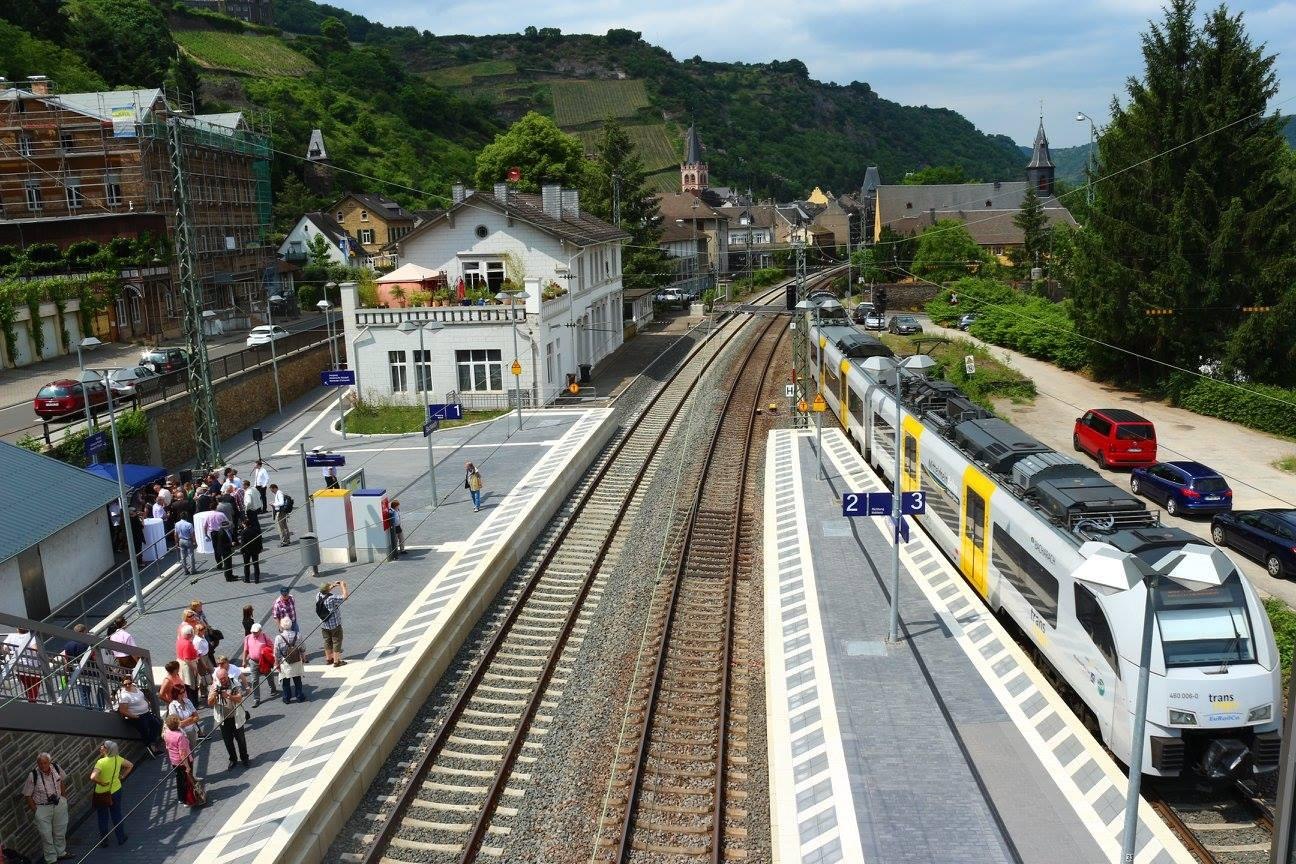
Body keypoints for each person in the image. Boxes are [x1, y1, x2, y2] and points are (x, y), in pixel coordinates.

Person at [22, 752, 68, 864]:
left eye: (45, 763)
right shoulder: (33, 775)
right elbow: (27, 795)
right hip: (42, 808)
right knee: (46, 835)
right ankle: (51, 859)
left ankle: (61, 853)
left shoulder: (56, 768)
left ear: (50, 762)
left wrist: (63, 798)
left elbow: (61, 781)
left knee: (60, 831)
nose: (43, 766)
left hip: (58, 804)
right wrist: (36, 811)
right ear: (37, 763)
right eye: (40, 763)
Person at [89, 740, 132, 848]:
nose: (101, 747)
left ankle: (104, 841)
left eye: (103, 746)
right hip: (116, 790)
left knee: (103, 817)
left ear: (107, 749)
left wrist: (101, 783)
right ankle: (121, 837)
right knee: (116, 814)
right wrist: (122, 776)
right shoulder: (118, 758)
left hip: (102, 793)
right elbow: (130, 765)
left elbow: (92, 777)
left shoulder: (101, 762)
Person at [208, 667, 250, 769]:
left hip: (235, 717)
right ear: (218, 678)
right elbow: (210, 703)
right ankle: (233, 759)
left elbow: (240, 698)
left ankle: (244, 758)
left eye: (224, 677)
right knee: (228, 741)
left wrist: (228, 696)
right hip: (223, 719)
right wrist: (213, 696)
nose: (223, 680)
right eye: (221, 678)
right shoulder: (214, 686)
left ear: (227, 675)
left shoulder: (234, 683)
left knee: (241, 740)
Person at [116, 677, 162, 757]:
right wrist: (135, 717)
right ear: (122, 685)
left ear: (132, 682)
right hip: (138, 716)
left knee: (157, 724)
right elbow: (122, 710)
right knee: (145, 731)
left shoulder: (135, 686)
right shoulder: (124, 696)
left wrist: (147, 702)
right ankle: (151, 747)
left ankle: (152, 743)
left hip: (146, 712)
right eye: (125, 684)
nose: (127, 685)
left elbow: (142, 696)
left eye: (129, 683)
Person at [163, 714, 201, 808]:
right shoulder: (180, 736)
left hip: (174, 760)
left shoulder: (166, 733)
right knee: (187, 780)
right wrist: (187, 767)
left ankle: (181, 798)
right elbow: (183, 753)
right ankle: (189, 800)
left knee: (179, 779)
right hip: (183, 761)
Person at [242, 622, 278, 707]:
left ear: (260, 630)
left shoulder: (265, 637)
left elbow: (272, 646)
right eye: (253, 632)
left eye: (255, 632)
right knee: (254, 680)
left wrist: (272, 657)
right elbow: (245, 650)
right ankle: (256, 699)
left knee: (269, 676)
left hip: (264, 662)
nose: (254, 633)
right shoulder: (248, 638)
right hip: (253, 661)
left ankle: (273, 688)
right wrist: (244, 661)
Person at [4, 626, 41, 702]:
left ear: (17, 629)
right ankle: (32, 702)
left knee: (27, 684)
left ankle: (31, 700)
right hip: (32, 665)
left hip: (18, 665)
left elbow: (5, 648)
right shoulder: (30, 636)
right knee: (34, 683)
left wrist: (11, 653)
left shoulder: (11, 636)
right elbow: (35, 650)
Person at [274, 617, 306, 704]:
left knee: (285, 681)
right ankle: (299, 696)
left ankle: (287, 698)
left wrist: (277, 663)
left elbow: (276, 652)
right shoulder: (298, 635)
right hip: (296, 660)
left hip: (285, 662)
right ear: (291, 624)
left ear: (282, 626)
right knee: (297, 679)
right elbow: (302, 648)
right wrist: (303, 658)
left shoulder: (279, 637)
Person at [317, 580, 348, 667]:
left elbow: (325, 590)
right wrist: (343, 586)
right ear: (327, 590)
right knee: (336, 641)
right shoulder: (332, 598)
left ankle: (328, 659)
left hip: (324, 625)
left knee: (327, 641)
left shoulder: (318, 595)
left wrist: (333, 585)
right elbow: (345, 597)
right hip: (334, 625)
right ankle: (336, 661)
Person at [206, 508, 235, 581]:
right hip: (225, 550)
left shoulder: (225, 531)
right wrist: (231, 544)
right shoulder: (222, 533)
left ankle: (221, 566)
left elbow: (204, 525)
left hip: (213, 533)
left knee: (227, 561)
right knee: (227, 563)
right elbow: (223, 544)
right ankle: (228, 577)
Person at [176, 624, 200, 702]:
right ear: (189, 634)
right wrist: (195, 669)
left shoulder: (180, 640)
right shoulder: (187, 644)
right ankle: (193, 702)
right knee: (191, 685)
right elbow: (187, 659)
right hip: (188, 666)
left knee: (187, 684)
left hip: (182, 663)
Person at [240, 513, 264, 584]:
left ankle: (247, 579)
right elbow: (259, 540)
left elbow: (243, 543)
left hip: (247, 551)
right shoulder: (256, 530)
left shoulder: (243, 532)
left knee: (246, 565)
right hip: (255, 550)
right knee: (256, 564)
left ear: (245, 524)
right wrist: (260, 548)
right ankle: (257, 579)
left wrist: (242, 551)